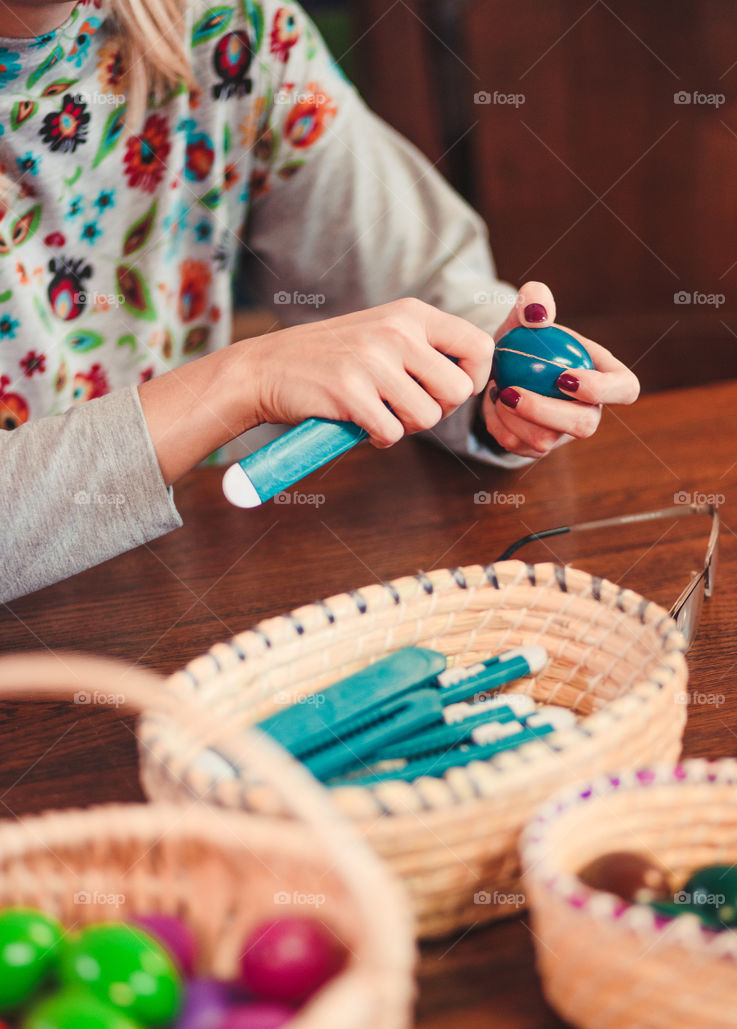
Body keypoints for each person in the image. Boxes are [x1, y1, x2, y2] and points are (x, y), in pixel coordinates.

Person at [0, 0, 640, 602]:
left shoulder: (230, 31)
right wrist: (240, 381)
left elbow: (415, 276)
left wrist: (491, 384)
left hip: (187, 573)